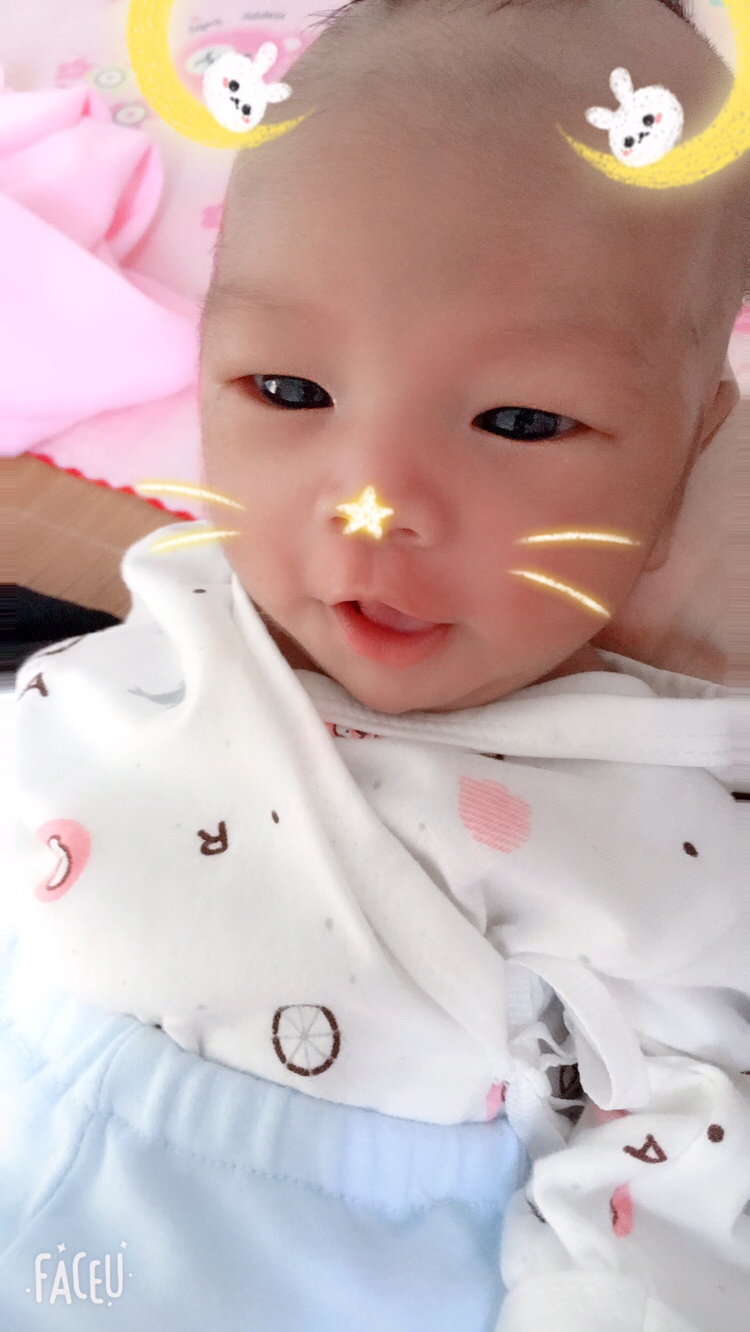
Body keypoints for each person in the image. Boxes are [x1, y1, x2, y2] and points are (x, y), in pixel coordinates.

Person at [3, 1, 748, 1328]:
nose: (371, 506)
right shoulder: (178, 613)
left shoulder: (662, 816)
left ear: (697, 444)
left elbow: (682, 1168)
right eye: (287, 393)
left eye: (518, 421)